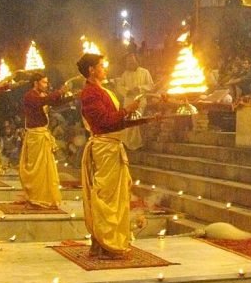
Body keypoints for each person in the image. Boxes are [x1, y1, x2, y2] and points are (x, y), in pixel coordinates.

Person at [77, 53, 147, 260]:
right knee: (106, 197)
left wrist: (143, 119)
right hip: (105, 148)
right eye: (101, 65)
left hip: (112, 145)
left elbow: (114, 122)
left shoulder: (102, 90)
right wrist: (127, 110)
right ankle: (105, 243)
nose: (105, 68)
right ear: (91, 70)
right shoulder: (90, 93)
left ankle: (103, 243)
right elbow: (105, 121)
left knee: (114, 196)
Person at [18, 73, 72, 209]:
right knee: (37, 169)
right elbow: (41, 102)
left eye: (46, 82)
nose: (46, 85)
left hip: (42, 135)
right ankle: (35, 197)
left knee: (45, 169)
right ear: (35, 83)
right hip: (35, 136)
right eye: (44, 82)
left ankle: (45, 196)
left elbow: (54, 102)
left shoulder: (42, 95)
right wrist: (60, 91)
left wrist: (73, 96)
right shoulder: (30, 96)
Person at [114, 53, 155, 150]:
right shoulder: (125, 74)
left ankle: (136, 144)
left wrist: (140, 88)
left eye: (132, 61)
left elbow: (151, 85)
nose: (130, 64)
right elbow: (120, 86)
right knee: (127, 122)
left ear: (136, 61)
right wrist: (127, 91)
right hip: (128, 101)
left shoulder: (145, 72)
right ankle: (126, 143)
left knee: (136, 120)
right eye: (128, 62)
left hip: (140, 101)